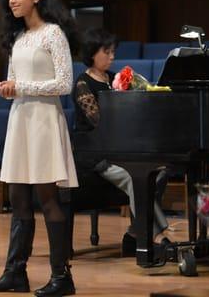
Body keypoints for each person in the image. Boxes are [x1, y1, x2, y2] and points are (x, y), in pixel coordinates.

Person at [0, 0, 78, 296]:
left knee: (48, 199)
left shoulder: (54, 34)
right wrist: (8, 89)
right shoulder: (18, 39)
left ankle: (61, 277)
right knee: (18, 199)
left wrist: (21, 86)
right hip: (21, 119)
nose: (12, 0)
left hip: (45, 122)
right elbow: (15, 80)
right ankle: (15, 273)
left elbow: (64, 84)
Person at [71, 27, 172, 256]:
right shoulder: (82, 84)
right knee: (132, 177)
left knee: (160, 172)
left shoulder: (115, 78)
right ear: (92, 53)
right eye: (107, 52)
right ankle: (155, 235)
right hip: (95, 153)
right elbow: (98, 122)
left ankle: (134, 234)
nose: (112, 57)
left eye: (113, 52)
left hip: (119, 148)